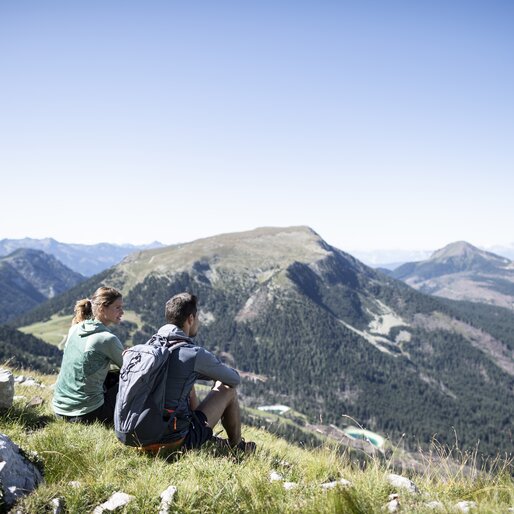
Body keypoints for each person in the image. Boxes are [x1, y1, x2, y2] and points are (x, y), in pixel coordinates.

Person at [130, 292, 255, 454]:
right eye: (197, 318)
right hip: (170, 442)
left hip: (136, 436)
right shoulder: (192, 354)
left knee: (186, 383)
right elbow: (233, 379)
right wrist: (211, 372)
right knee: (226, 388)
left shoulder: (149, 347)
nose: (198, 322)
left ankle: (203, 434)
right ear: (190, 319)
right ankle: (237, 448)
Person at [52, 286, 124, 425]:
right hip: (87, 414)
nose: (122, 312)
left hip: (59, 410)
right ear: (102, 308)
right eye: (117, 307)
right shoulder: (106, 339)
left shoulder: (75, 328)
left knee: (111, 375)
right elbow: (133, 370)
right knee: (136, 381)